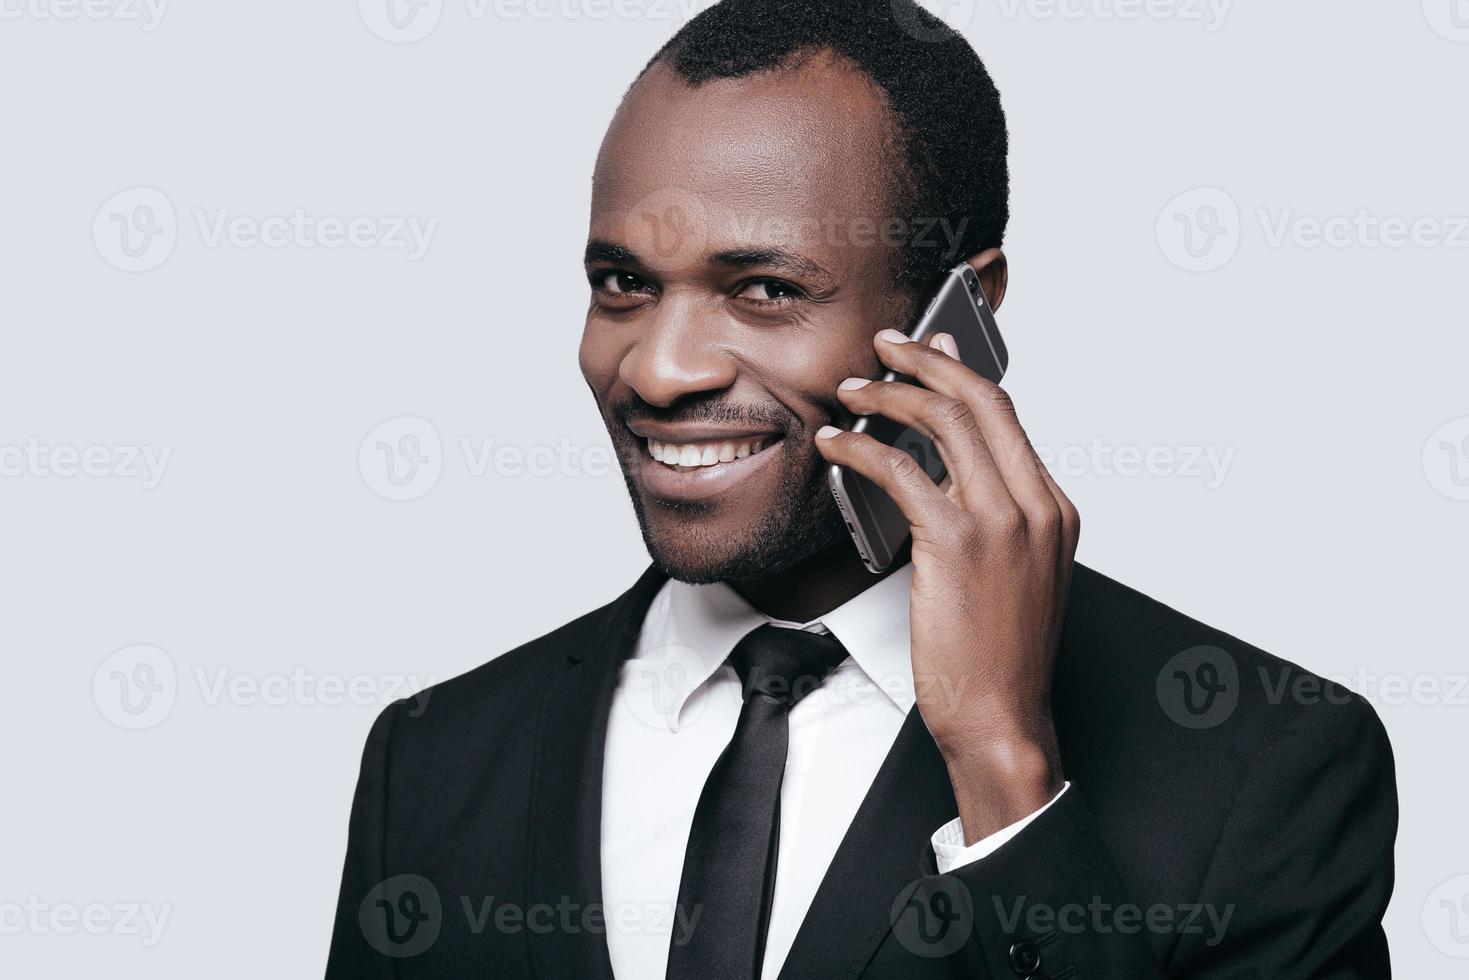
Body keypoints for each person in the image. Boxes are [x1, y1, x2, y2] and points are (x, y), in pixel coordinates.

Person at [326, 2, 1397, 976]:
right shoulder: (430, 762)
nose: (657, 367)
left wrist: (1001, 765)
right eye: (623, 285)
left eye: (762, 290)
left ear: (957, 315)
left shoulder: (1264, 768)